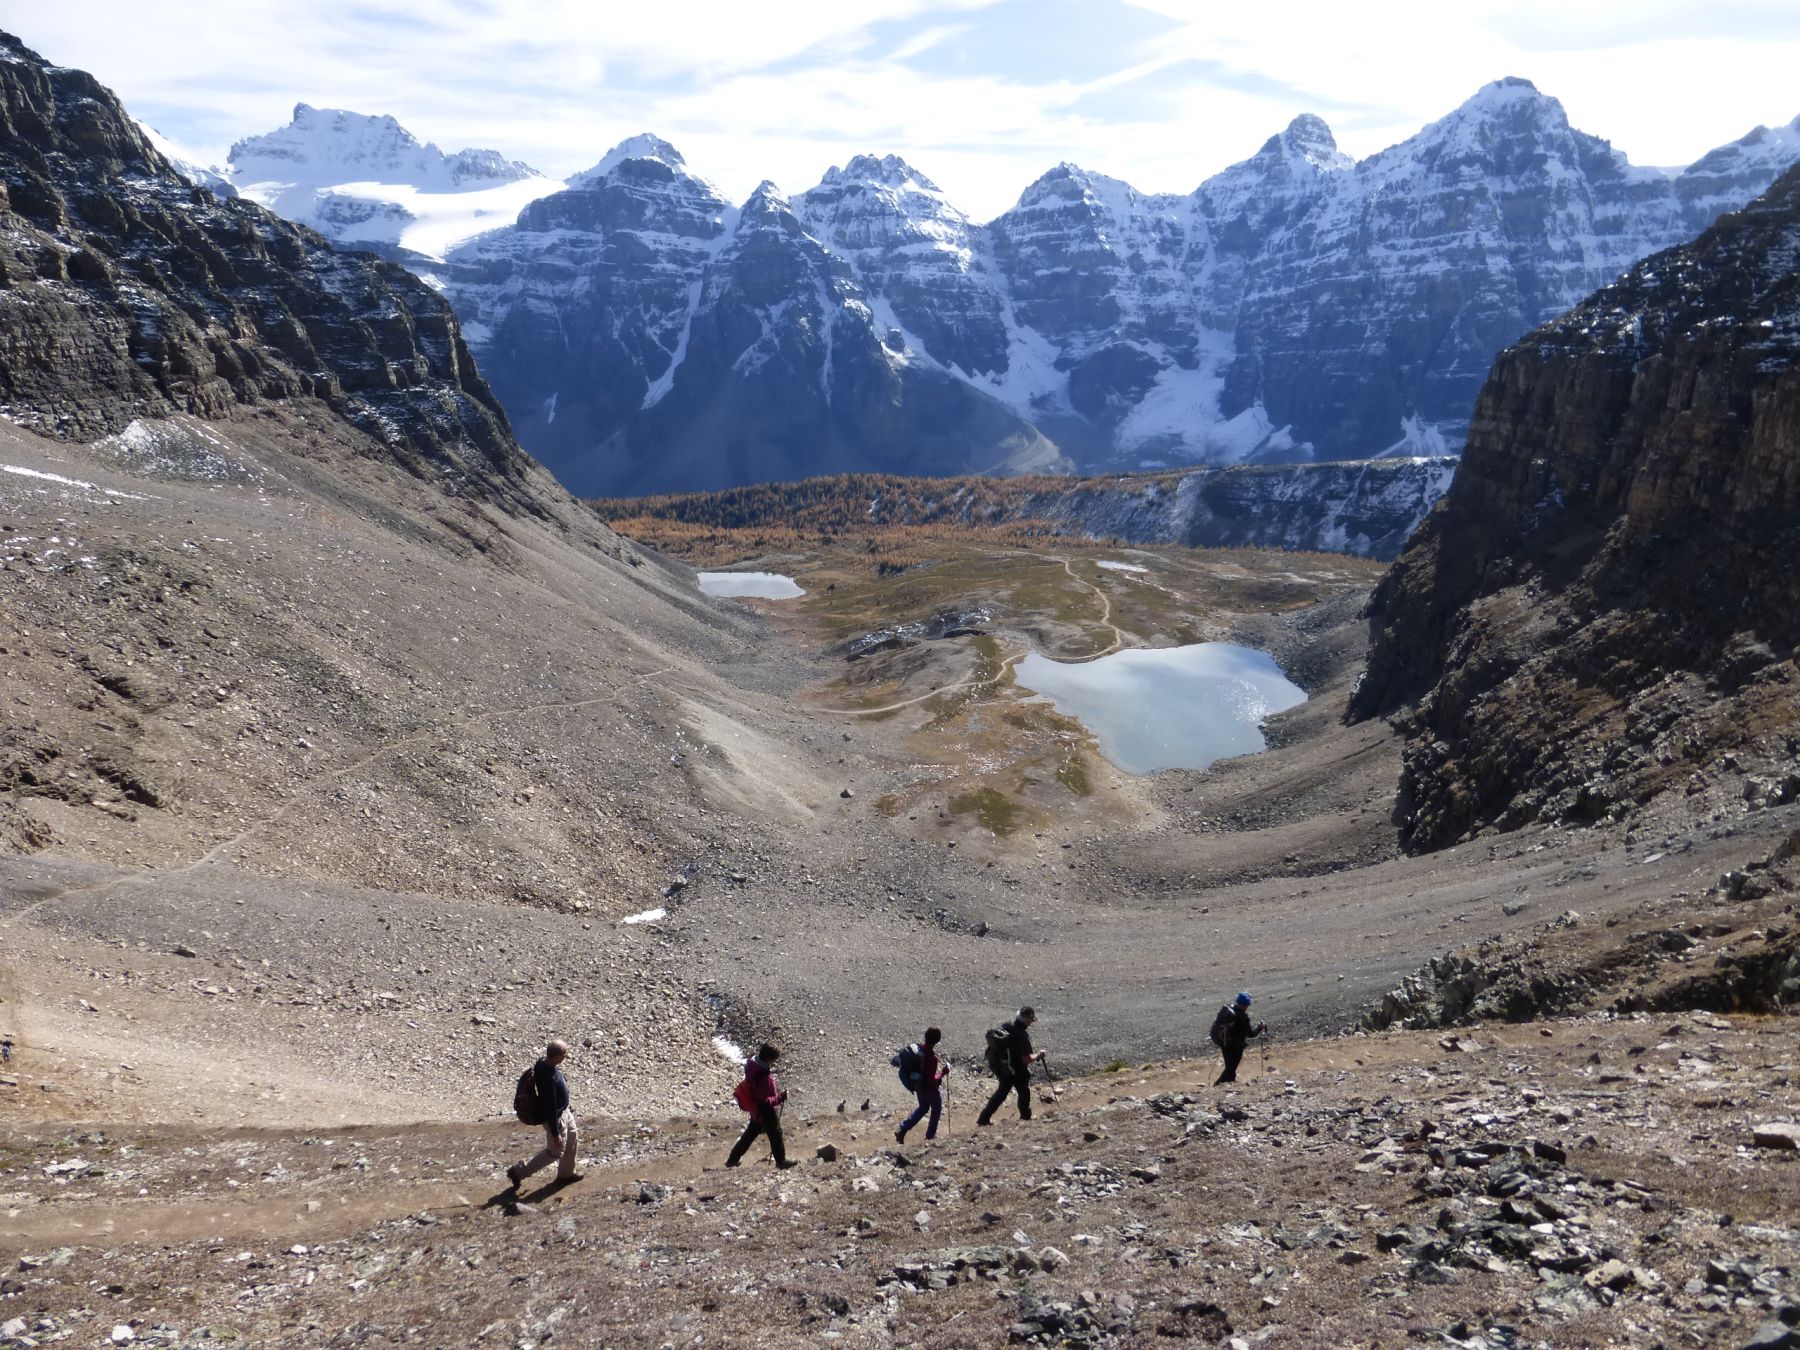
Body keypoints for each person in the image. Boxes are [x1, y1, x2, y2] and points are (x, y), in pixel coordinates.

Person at [507, 1040, 579, 1188]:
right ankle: (518, 1172)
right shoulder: (547, 1077)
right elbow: (549, 1107)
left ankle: (566, 1174)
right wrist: (555, 1133)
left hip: (564, 1112)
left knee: (572, 1139)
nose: (566, 1057)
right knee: (555, 1151)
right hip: (556, 1119)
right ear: (556, 1056)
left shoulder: (544, 1062)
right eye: (564, 1054)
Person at [727, 1043, 797, 1169]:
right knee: (776, 1135)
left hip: (756, 1111)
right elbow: (765, 1101)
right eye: (774, 1060)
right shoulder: (763, 1075)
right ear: (769, 1059)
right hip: (765, 1112)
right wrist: (781, 1097)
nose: (774, 1063)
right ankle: (781, 1161)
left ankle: (732, 1160)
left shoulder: (753, 1066)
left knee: (749, 1136)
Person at [977, 1006, 1042, 1126]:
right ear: (1028, 1020)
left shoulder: (1007, 1027)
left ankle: (983, 1118)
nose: (1031, 1023)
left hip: (1002, 1068)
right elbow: (1026, 1059)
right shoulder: (1022, 1035)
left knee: (1001, 1093)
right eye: (1031, 1020)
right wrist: (1038, 1055)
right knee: (1023, 1091)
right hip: (1016, 1070)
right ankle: (1026, 1116)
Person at [895, 1027, 948, 1143]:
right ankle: (930, 1136)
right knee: (937, 1108)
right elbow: (931, 1080)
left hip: (918, 1085)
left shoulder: (919, 1049)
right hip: (930, 1088)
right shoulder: (932, 1058)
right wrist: (943, 1072)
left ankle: (903, 1129)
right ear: (937, 1040)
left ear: (925, 1036)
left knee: (923, 1107)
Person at [1210, 991, 1266, 1085]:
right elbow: (1251, 1034)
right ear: (1246, 1004)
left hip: (1224, 1042)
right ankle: (1218, 1085)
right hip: (1235, 1046)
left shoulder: (1228, 1009)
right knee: (1231, 1068)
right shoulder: (1241, 1017)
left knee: (1229, 1067)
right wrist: (1259, 1028)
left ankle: (1230, 1082)